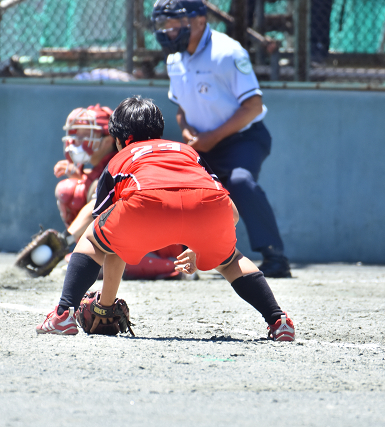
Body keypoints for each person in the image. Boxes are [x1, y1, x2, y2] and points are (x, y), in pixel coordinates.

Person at [35, 96, 295, 342]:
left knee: (96, 238)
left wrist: (102, 307)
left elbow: (109, 233)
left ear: (118, 139)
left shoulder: (119, 158)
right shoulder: (187, 152)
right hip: (212, 209)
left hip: (146, 205)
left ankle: (63, 314)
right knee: (231, 260)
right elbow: (232, 213)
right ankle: (278, 320)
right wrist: (201, 246)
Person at [151, 0, 291, 278]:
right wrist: (189, 132)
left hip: (244, 139)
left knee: (240, 182)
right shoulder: (174, 59)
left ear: (200, 21)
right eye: (164, 25)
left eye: (175, 23)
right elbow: (181, 108)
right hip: (202, 141)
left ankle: (275, 257)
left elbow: (252, 105)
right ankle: (187, 256)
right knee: (182, 188)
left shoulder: (227, 52)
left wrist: (211, 138)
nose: (168, 31)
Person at [28, 105, 190, 280]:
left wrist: (63, 240)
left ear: (108, 141)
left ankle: (174, 267)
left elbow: (97, 206)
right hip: (143, 235)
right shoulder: (100, 168)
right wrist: (81, 176)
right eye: (75, 133)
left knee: (100, 257)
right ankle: (89, 252)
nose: (76, 140)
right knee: (71, 189)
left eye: (85, 135)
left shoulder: (119, 162)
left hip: (165, 241)